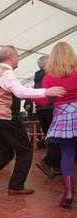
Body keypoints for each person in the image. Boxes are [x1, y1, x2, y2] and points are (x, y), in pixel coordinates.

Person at [0, 45, 65, 196]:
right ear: (13, 57)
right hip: (6, 117)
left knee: (7, 151)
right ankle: (16, 186)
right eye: (18, 57)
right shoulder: (7, 73)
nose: (18, 59)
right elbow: (20, 92)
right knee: (25, 150)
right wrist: (47, 91)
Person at [33, 42, 76, 208]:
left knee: (67, 154)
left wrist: (31, 94)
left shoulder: (49, 76)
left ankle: (69, 192)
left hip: (63, 116)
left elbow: (43, 102)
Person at [33, 55, 62, 178]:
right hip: (51, 107)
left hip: (41, 110)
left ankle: (55, 165)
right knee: (59, 136)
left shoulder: (37, 77)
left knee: (50, 137)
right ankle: (49, 162)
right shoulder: (51, 75)